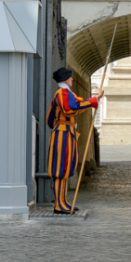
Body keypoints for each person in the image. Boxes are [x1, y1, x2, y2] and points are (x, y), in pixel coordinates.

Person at [47, 67, 103, 214]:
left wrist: (95, 99)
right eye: (70, 77)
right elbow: (71, 108)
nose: (72, 79)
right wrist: (93, 101)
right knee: (60, 170)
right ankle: (59, 204)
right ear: (65, 79)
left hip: (67, 133)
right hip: (63, 133)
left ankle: (63, 201)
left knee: (65, 169)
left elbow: (78, 103)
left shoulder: (66, 93)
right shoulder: (63, 93)